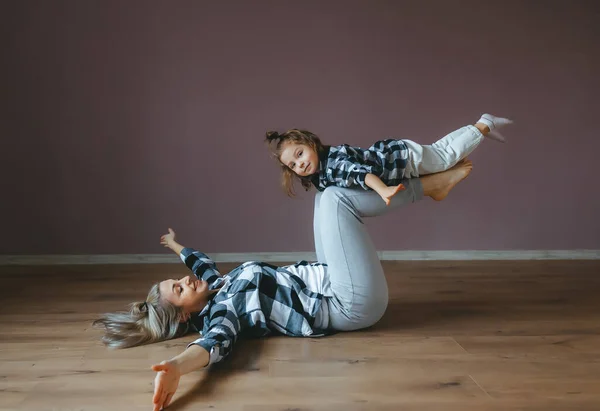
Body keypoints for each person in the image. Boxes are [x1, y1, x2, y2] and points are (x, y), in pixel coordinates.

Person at [93, 160, 473, 411]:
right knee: (338, 198)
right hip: (348, 302)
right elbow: (214, 344)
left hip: (332, 276)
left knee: (325, 196)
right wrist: (176, 367)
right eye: (179, 290)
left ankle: (427, 187)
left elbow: (201, 264)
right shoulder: (224, 312)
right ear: (182, 317)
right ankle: (429, 187)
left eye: (176, 280)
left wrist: (177, 247)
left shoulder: (217, 285)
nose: (184, 282)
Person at [265, 113, 511, 204]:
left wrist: (383, 191)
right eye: (293, 165)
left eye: (300, 154)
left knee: (445, 155)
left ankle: (483, 125)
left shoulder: (334, 164)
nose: (300, 164)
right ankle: (477, 126)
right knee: (440, 150)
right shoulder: (323, 170)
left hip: (402, 160)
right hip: (398, 156)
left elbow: (362, 175)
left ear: (311, 144)